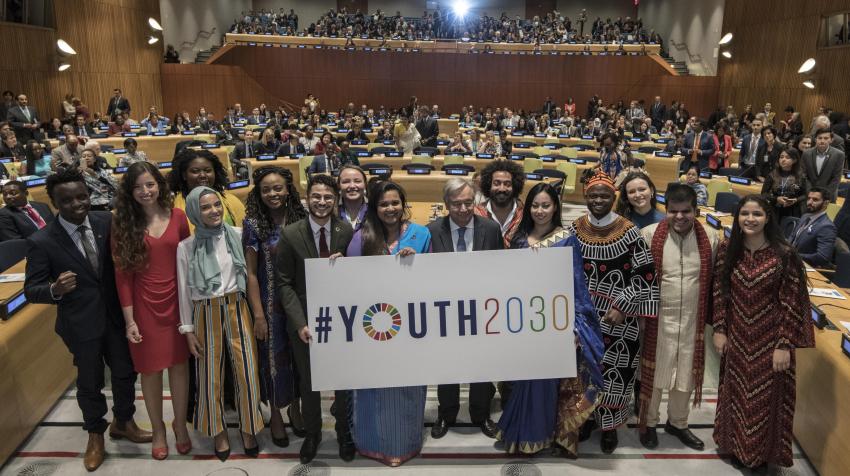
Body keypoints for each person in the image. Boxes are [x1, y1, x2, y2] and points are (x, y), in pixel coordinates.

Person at [24, 169, 152, 472]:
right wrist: (54, 289)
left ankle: (123, 421)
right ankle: (95, 434)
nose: (77, 204)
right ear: (54, 202)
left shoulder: (105, 222)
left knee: (124, 373)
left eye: (82, 196)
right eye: (67, 200)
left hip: (116, 318)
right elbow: (31, 289)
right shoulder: (41, 241)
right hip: (80, 324)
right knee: (90, 382)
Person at [496, 182, 603, 458]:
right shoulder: (518, 239)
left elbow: (576, 283)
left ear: (555, 207)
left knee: (547, 383)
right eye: (535, 205)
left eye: (546, 205)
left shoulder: (567, 238)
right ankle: (521, 432)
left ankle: (542, 435)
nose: (540, 211)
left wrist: (577, 323)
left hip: (554, 324)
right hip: (523, 323)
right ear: (527, 208)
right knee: (523, 380)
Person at [712, 194, 814, 471]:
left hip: (772, 340)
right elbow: (721, 292)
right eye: (745, 213)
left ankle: (761, 456)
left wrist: (784, 345)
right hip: (737, 337)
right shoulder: (727, 249)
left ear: (768, 217)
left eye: (757, 214)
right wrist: (720, 329)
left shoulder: (784, 254)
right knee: (736, 395)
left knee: (766, 401)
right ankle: (735, 447)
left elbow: (793, 302)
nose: (750, 219)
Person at [568, 169, 658, 454]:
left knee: (616, 373)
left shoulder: (629, 230)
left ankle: (609, 428)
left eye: (604, 195)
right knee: (582, 373)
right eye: (593, 195)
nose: (598, 200)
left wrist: (622, 306)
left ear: (613, 197)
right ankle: (584, 419)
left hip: (618, 320)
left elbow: (645, 275)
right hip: (582, 319)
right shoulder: (574, 229)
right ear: (585, 196)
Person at [346, 180, 430, 466]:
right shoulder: (361, 238)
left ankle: (404, 444)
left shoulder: (421, 234)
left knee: (406, 386)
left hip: (411, 328)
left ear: (403, 205)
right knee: (374, 387)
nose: (390, 208)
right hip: (373, 327)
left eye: (395, 203)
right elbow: (350, 282)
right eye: (384, 204)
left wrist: (417, 263)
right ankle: (372, 443)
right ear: (374, 207)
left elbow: (435, 278)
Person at [176, 186, 264, 461]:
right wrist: (187, 330)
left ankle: (249, 429)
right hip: (205, 312)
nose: (214, 211)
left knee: (247, 371)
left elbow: (250, 274)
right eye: (205, 207)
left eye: (216, 205)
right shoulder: (186, 247)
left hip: (238, 306)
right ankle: (218, 432)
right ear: (193, 212)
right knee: (209, 375)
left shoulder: (237, 236)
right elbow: (183, 291)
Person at [111, 162, 192, 459]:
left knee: (180, 367)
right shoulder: (122, 224)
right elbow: (123, 276)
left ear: (160, 184)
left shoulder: (179, 217)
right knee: (151, 370)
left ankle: (179, 424)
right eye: (138, 187)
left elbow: (188, 263)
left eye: (150, 184)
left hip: (178, 302)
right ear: (129, 192)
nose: (145, 191)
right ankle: (158, 428)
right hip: (144, 307)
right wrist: (130, 321)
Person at [274, 174, 355, 464]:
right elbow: (283, 283)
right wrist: (299, 323)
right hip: (306, 324)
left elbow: (359, 279)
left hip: (343, 322)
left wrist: (347, 268)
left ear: (336, 200)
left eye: (328, 198)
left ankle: (345, 433)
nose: (322, 203)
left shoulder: (346, 232)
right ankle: (313, 434)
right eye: (317, 197)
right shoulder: (290, 234)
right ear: (307, 199)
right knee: (309, 382)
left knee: (343, 381)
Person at [638, 184, 719, 451]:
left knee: (685, 373)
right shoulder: (648, 235)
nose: (680, 217)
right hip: (657, 320)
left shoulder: (711, 237)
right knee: (656, 372)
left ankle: (679, 423)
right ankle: (649, 423)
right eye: (674, 211)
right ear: (665, 209)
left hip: (692, 321)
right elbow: (637, 282)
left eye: (686, 211)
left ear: (696, 210)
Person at [428, 178, 503, 440]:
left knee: (482, 365)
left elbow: (500, 270)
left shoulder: (491, 229)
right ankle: (446, 414)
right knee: (447, 366)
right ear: (446, 203)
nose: (463, 208)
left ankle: (480, 414)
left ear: (476, 202)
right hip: (445, 312)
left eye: (468, 202)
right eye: (456, 203)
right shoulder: (431, 231)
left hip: (483, 312)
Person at [243, 166, 307, 448]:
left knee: (299, 359)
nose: (272, 194)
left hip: (300, 303)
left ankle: (296, 406)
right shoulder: (253, 224)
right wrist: (258, 315)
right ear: (258, 192)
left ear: (288, 189)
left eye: (278, 188)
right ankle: (277, 415)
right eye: (266, 189)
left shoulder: (301, 218)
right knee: (273, 361)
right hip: (270, 307)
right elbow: (251, 273)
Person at [168, 148, 246, 232]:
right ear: (184, 175)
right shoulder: (173, 206)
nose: (203, 175)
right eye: (195, 171)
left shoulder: (231, 201)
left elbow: (244, 233)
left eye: (208, 171)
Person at [474, 159, 525, 247]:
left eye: (507, 184)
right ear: (489, 185)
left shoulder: (525, 215)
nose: (502, 189)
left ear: (515, 186)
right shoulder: (475, 214)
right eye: (496, 183)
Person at [790, 187, 836, 268]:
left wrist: (794, 255)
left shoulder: (827, 227)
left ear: (826, 203)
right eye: (809, 198)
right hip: (791, 261)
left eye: (815, 200)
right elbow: (793, 237)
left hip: (807, 267)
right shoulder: (805, 216)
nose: (809, 202)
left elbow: (823, 257)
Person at [761, 148, 807, 221]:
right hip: (775, 210)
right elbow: (763, 194)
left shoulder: (801, 176)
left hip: (793, 210)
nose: (783, 159)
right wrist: (776, 199)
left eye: (787, 157)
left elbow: (805, 194)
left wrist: (796, 200)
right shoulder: (772, 174)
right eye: (781, 157)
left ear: (794, 160)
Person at [801, 128, 845, 202]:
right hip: (809, 196)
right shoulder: (806, 153)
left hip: (828, 197)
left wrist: (823, 195)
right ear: (815, 139)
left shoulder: (839, 155)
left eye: (826, 138)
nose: (822, 141)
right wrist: (811, 193)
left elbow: (836, 178)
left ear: (831, 140)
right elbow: (803, 175)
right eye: (820, 138)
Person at [338, 165, 368, 231]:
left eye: (357, 181)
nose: (352, 186)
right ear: (339, 186)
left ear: (365, 184)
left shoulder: (375, 211)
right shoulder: (330, 214)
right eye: (346, 182)